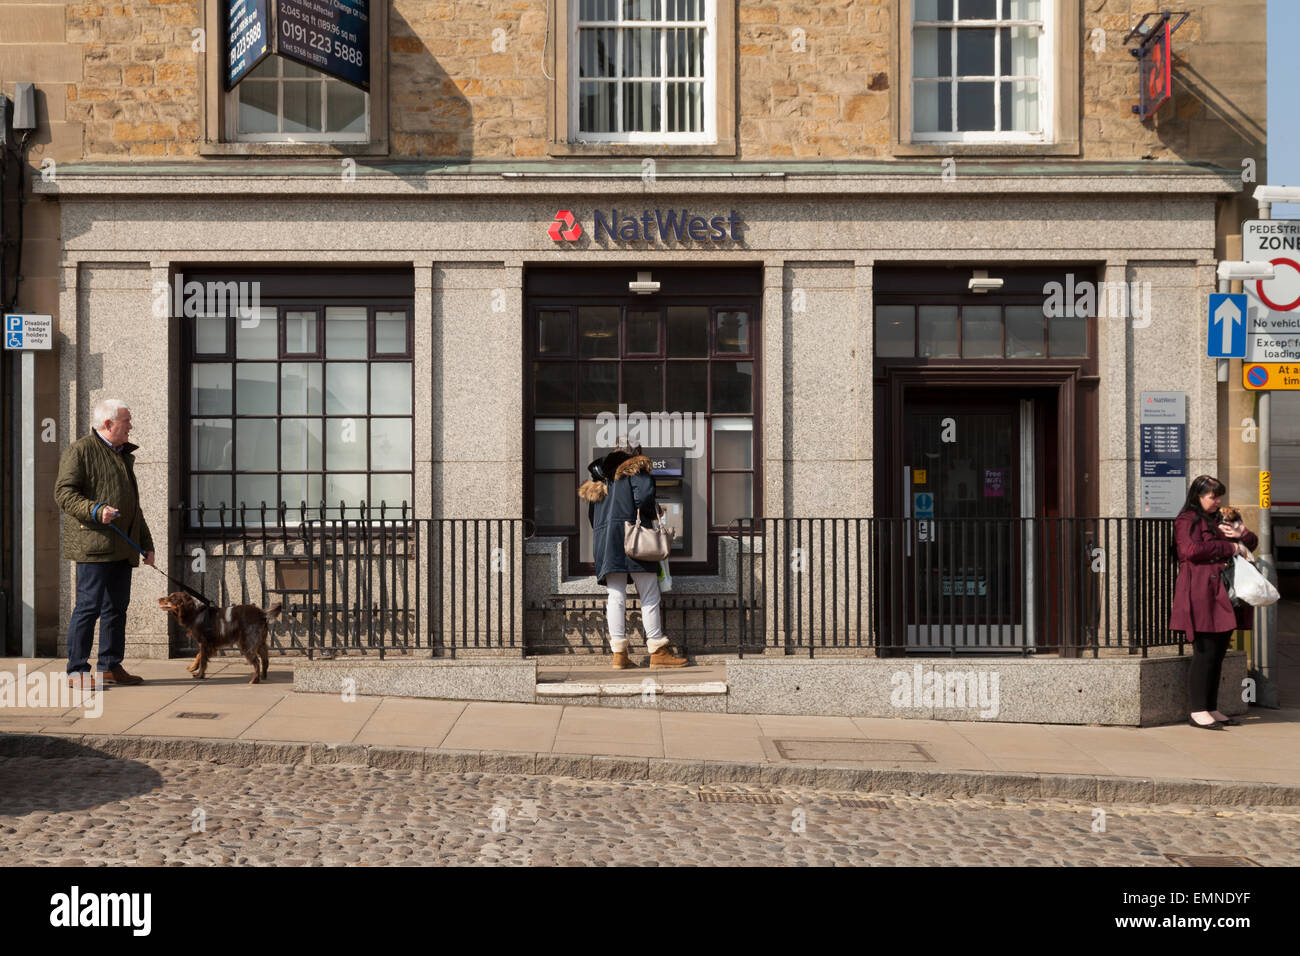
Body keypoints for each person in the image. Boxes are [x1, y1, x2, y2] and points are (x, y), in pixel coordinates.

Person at [54, 399, 154, 687]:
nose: (131, 426)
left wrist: (146, 544)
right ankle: (77, 671)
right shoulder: (81, 450)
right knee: (88, 607)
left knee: (116, 609)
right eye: (127, 421)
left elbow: (133, 506)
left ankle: (110, 666)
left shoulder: (122, 454)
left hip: (123, 549)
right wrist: (97, 511)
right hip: (94, 547)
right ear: (109, 424)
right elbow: (64, 494)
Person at [578, 444, 688, 669]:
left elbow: (593, 518)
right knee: (649, 593)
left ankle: (619, 654)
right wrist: (654, 509)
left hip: (607, 542)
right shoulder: (636, 470)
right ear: (634, 456)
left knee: (615, 596)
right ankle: (657, 651)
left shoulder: (598, 480)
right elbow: (645, 499)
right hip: (635, 539)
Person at [1169, 475, 1256, 730]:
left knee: (1218, 652)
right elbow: (1189, 551)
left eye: (1219, 496)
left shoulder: (1220, 519)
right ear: (1198, 496)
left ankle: (1210, 706)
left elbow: (1252, 544)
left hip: (1221, 591)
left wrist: (1242, 534)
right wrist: (1230, 548)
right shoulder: (1187, 520)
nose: (1218, 501)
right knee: (1205, 652)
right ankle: (1198, 710)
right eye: (1212, 496)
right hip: (1200, 591)